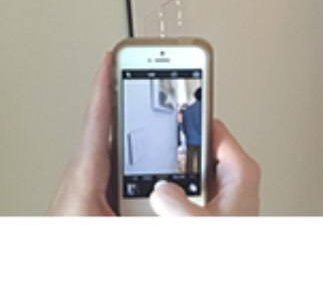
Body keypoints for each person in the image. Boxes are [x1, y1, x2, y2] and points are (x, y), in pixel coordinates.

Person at [49, 52, 262, 216]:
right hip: (200, 143)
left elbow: (182, 124)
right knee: (196, 174)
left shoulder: (188, 109)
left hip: (191, 142)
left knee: (191, 164)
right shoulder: (197, 109)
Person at [183, 88, 202, 174]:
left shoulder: (188, 109)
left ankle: (188, 176)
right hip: (201, 140)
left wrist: (187, 135)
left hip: (190, 139)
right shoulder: (204, 109)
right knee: (201, 162)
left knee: (189, 162)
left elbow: (183, 126)